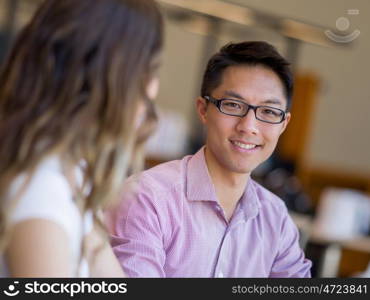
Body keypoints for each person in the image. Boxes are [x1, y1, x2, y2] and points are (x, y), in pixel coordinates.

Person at [107, 41, 312, 277]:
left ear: (284, 124)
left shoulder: (276, 219)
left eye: (268, 111)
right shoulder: (147, 198)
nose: (249, 127)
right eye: (233, 105)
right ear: (203, 110)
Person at [0, 0, 163, 277]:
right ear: (114, 76)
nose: (154, 88)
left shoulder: (74, 173)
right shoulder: (40, 192)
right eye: (150, 69)